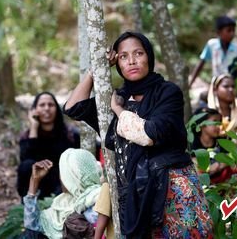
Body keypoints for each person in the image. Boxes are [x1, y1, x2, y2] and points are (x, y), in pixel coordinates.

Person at [64, 31, 213, 238]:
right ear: (117, 62)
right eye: (123, 56)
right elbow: (74, 107)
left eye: (138, 53)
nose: (132, 61)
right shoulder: (119, 96)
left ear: (149, 57)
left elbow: (149, 134)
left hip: (172, 189)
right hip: (136, 194)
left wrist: (119, 111)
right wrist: (94, 71)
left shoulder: (167, 92)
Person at [22, 148, 101, 239]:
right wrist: (34, 181)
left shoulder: (94, 201)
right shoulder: (64, 201)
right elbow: (33, 225)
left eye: (63, 172)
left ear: (73, 177)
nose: (60, 177)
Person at [17, 92, 80, 199]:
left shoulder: (70, 134)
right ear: (34, 110)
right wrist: (34, 127)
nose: (47, 108)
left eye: (51, 105)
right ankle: (30, 203)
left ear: (56, 109)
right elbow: (26, 160)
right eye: (42, 105)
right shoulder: (27, 136)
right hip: (38, 182)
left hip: (64, 184)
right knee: (26, 165)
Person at [190, 107, 237, 184]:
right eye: (215, 122)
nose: (219, 126)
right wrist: (209, 168)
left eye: (219, 122)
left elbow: (230, 159)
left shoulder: (223, 141)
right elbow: (195, 164)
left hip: (224, 180)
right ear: (202, 124)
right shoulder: (193, 143)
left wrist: (219, 165)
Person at [189, 15, 237, 86]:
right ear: (219, 32)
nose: (232, 34)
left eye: (233, 30)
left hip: (231, 85)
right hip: (216, 84)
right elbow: (201, 64)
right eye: (229, 30)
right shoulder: (212, 45)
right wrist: (191, 82)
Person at [207, 74, 237, 140]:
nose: (231, 89)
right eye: (226, 86)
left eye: (233, 86)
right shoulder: (206, 113)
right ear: (215, 90)